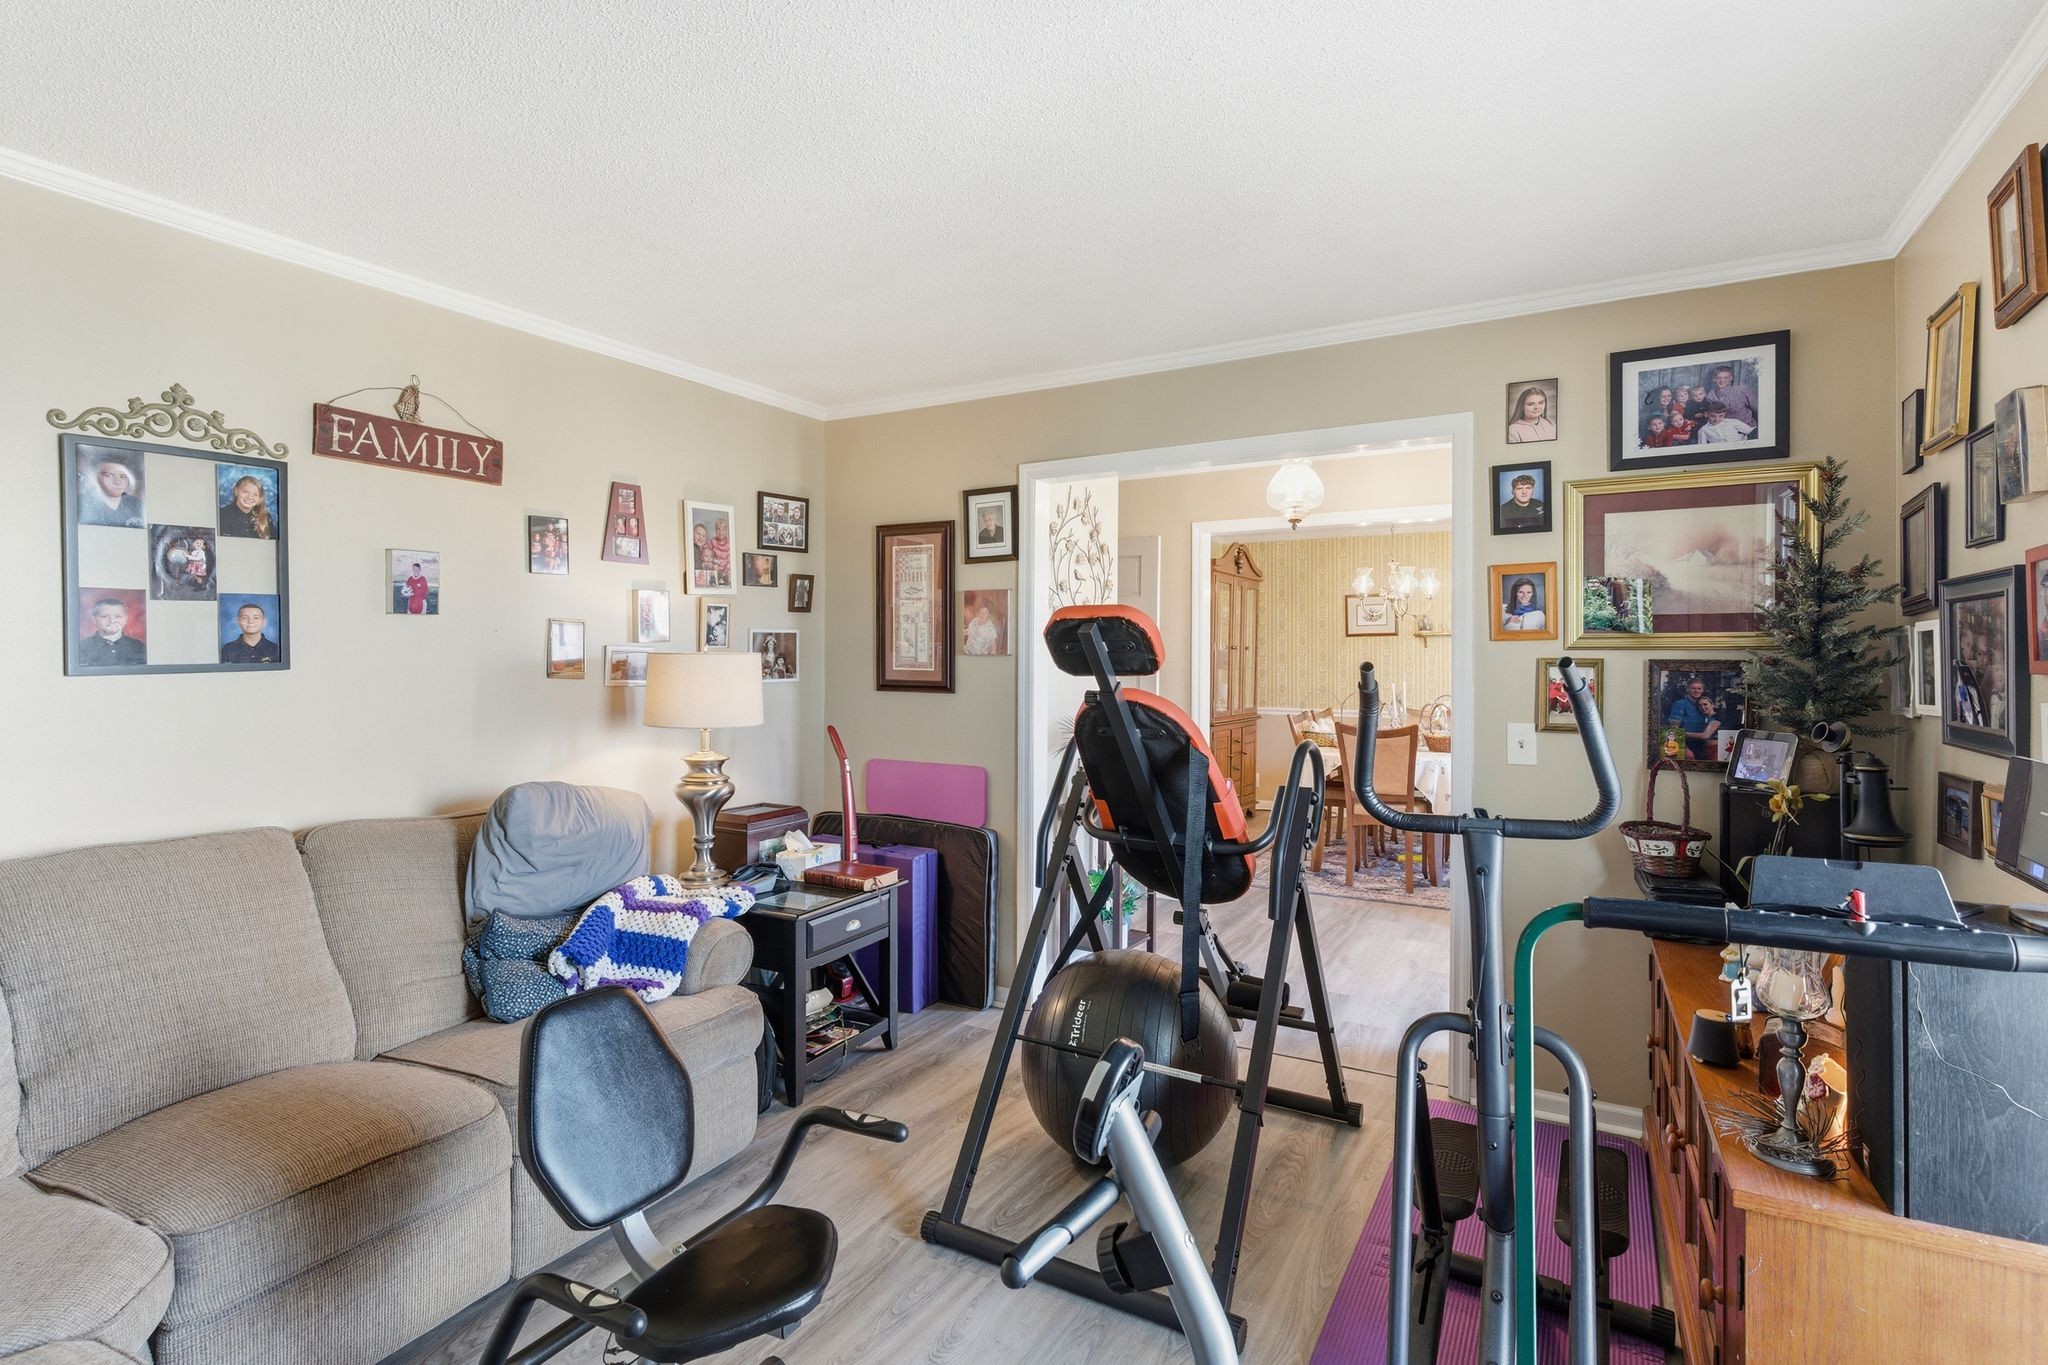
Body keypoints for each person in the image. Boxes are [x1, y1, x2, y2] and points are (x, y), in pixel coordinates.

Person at [76, 597, 145, 667]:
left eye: (118, 616)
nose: (112, 621)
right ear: (94, 619)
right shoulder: (82, 647)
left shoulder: (138, 646)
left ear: (125, 619)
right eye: (104, 616)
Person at [78, 456, 144, 528]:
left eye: (123, 476)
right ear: (96, 477)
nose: (117, 482)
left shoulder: (136, 505)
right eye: (108, 475)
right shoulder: (81, 503)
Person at [1667, 677, 1721, 760]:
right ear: (1687, 689)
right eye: (1693, 688)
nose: (1696, 691)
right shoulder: (1680, 704)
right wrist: (1684, 748)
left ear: (1703, 690)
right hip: (1686, 743)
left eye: (1699, 688)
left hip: (1701, 745)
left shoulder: (1703, 706)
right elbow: (1674, 728)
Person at [154, 531, 214, 601]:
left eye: (200, 544)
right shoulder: (193, 551)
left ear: (203, 546)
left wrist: (187, 557)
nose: (198, 544)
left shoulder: (201, 552)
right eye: (197, 543)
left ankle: (199, 582)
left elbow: (196, 558)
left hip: (197, 567)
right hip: (189, 566)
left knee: (194, 575)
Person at [218, 474, 274, 539]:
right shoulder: (222, 515)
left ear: (260, 498)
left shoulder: (266, 517)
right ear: (236, 490)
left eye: (255, 494)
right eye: (245, 491)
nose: (250, 497)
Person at [1707, 364, 1759, 429]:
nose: (1722, 381)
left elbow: (1758, 408)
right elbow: (1711, 415)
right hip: (1726, 430)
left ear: (1731, 378)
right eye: (1718, 378)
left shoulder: (1741, 390)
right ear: (1714, 379)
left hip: (1747, 427)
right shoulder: (1711, 395)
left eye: (1725, 378)